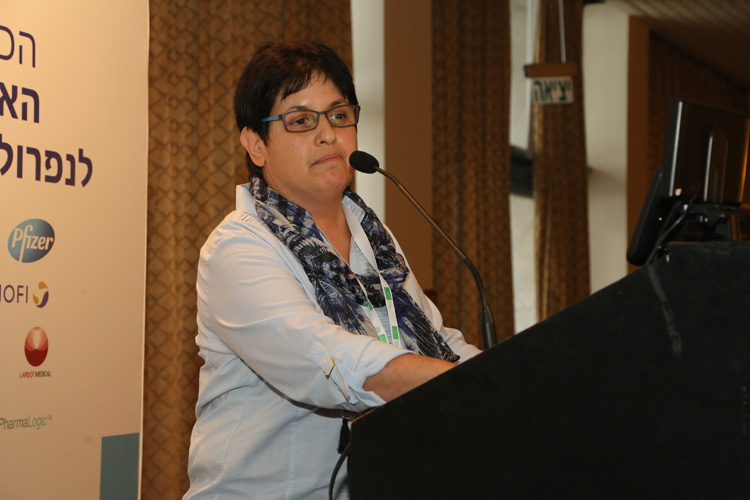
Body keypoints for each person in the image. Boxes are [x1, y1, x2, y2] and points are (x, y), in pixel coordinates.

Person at [183, 40, 482, 500]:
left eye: (339, 115)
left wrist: (514, 374)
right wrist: (476, 386)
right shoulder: (239, 248)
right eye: (302, 121)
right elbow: (329, 361)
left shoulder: (373, 237)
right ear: (256, 145)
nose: (328, 134)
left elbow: (436, 341)